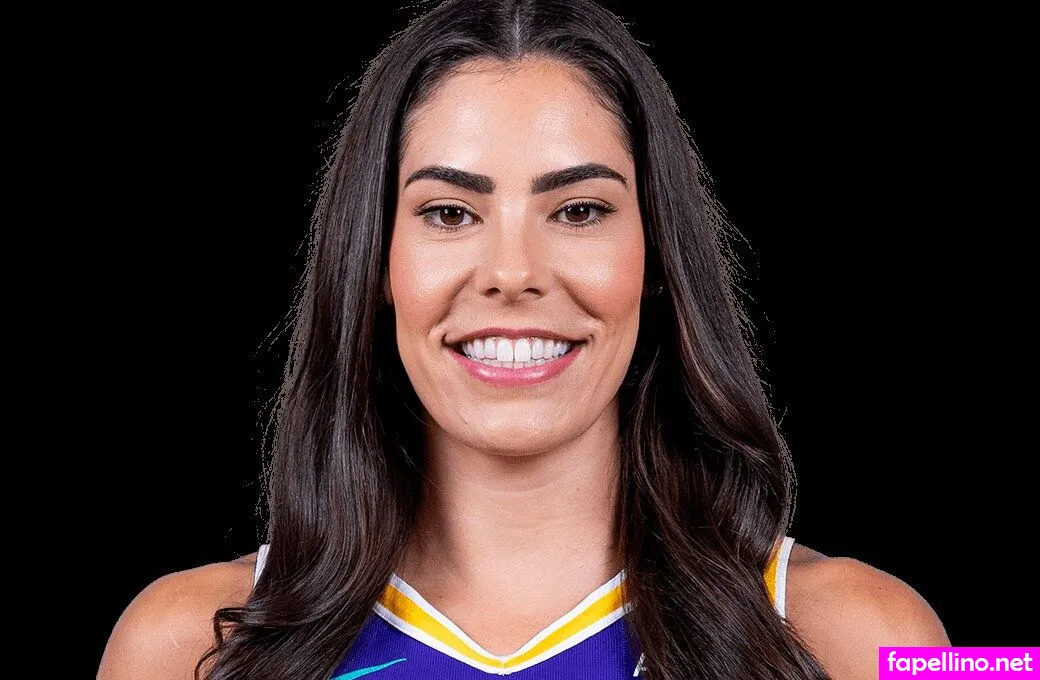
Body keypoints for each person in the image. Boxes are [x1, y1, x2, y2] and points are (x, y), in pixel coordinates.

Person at [98, 0, 950, 678]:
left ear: (656, 256)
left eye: (578, 210)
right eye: (449, 212)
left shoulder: (877, 638)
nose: (512, 273)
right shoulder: (183, 646)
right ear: (376, 262)